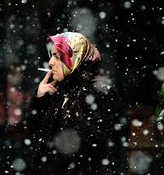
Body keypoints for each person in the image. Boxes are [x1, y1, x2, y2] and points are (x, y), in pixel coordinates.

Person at [25, 32, 121, 174]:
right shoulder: (61, 90)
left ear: (75, 57)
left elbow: (101, 149)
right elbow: (35, 136)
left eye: (57, 56)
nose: (50, 62)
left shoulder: (99, 92)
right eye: (51, 55)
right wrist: (39, 99)